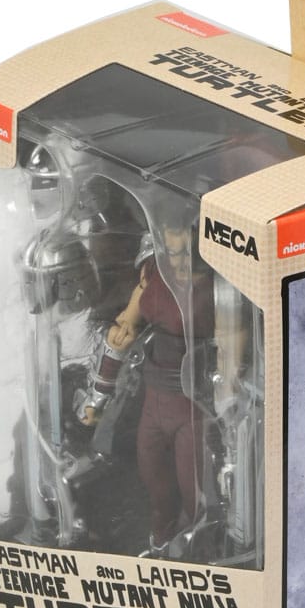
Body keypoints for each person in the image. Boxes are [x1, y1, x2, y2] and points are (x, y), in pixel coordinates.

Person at [83, 218, 216, 558]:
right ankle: (159, 550)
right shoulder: (152, 272)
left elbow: (234, 343)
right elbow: (121, 335)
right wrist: (97, 396)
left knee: (197, 498)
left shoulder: (219, 285)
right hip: (153, 400)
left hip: (194, 407)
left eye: (187, 254)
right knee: (156, 488)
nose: (180, 263)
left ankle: (196, 554)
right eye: (172, 253)